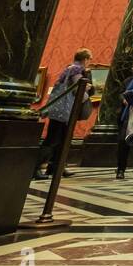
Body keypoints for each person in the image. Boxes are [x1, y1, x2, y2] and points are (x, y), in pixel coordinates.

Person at [34, 49, 93, 179]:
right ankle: (35, 168)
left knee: (60, 139)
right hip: (64, 111)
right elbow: (79, 90)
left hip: (61, 110)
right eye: (90, 59)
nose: (90, 62)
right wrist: (86, 91)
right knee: (53, 139)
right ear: (85, 59)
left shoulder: (70, 68)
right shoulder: (77, 70)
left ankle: (56, 167)